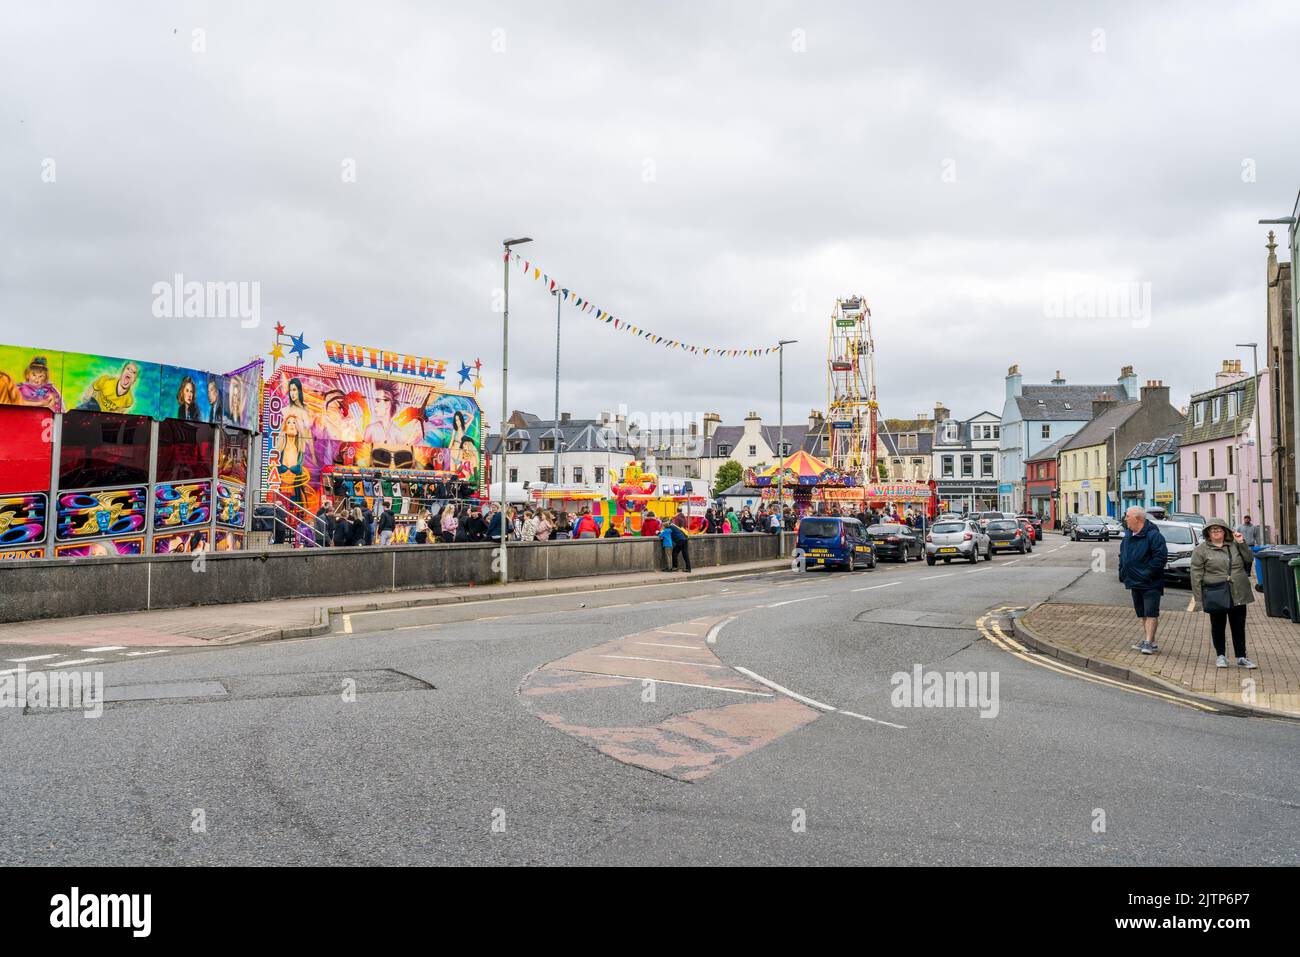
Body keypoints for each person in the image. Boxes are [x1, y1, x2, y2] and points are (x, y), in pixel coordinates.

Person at [1190, 517, 1258, 669]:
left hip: (1238, 591)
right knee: (1218, 625)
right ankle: (1220, 656)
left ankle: (1241, 656)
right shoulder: (1201, 550)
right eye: (1212, 530)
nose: (1216, 532)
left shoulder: (1234, 545)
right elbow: (1196, 576)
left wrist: (1241, 542)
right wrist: (1198, 599)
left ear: (1225, 531)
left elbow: (1249, 559)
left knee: (1238, 625)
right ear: (1207, 532)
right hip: (1216, 592)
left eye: (1219, 529)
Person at [1118, 505, 1168, 655]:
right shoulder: (1128, 535)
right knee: (1142, 613)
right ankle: (1149, 640)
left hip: (1150, 582)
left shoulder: (1154, 536)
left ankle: (1148, 642)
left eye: (1128, 516)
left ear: (1138, 519)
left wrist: (1147, 573)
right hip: (1133, 581)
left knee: (1151, 612)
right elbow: (1122, 555)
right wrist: (1122, 571)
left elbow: (1160, 558)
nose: (1125, 519)